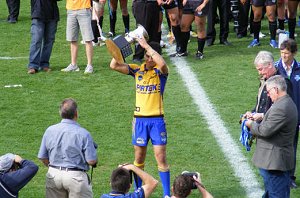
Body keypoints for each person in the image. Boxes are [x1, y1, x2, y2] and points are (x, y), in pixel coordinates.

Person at [110, 37, 170, 197]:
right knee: (139, 157)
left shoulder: (161, 73)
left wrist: (145, 45)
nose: (149, 58)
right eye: (146, 55)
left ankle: (166, 194)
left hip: (157, 120)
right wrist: (125, 44)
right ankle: (139, 191)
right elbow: (114, 65)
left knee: (161, 157)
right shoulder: (137, 70)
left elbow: (162, 63)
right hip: (140, 121)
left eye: (151, 56)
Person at [245, 75, 298, 197]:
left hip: (275, 162)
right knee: (271, 193)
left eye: (269, 91)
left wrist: (250, 124)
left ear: (276, 90)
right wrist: (261, 116)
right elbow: (274, 122)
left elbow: (264, 130)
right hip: (274, 161)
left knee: (276, 194)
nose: (268, 95)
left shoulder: (282, 107)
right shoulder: (283, 103)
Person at [38, 98, 98, 198]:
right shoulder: (83, 133)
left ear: (60, 113)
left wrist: (54, 168)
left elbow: (42, 157)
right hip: (76, 178)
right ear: (76, 113)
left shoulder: (49, 130)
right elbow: (91, 161)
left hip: (54, 174)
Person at [275, 39, 300, 188]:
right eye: (282, 53)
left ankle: (290, 176)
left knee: (292, 147)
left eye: (286, 53)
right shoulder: (276, 69)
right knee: (277, 146)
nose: (283, 56)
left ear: (294, 53)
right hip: (278, 116)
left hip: (295, 117)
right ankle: (278, 175)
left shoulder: (299, 69)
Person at [243, 51, 292, 122]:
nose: (259, 73)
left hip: (274, 127)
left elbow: (284, 108)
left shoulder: (283, 82)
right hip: (263, 126)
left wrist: (263, 115)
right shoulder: (264, 80)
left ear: (269, 65)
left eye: (260, 69)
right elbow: (261, 104)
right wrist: (252, 113)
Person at [60, 0, 95, 74]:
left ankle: (89, 65)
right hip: (70, 9)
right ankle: (73, 65)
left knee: (88, 39)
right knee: (72, 39)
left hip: (84, 8)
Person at [27, 0, 60, 74]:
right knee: (36, 40)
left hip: (52, 14)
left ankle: (44, 64)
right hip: (38, 13)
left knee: (49, 41)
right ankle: (33, 66)